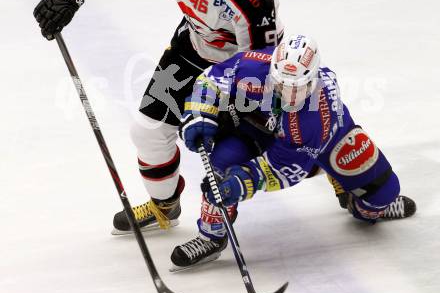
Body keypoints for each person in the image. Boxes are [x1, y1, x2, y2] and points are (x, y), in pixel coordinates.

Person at [33, 0, 285, 234]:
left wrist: (215, 104)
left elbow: (260, 60)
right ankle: (164, 205)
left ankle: (338, 165)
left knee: (263, 135)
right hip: (191, 49)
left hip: (242, 65)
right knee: (148, 132)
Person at [172, 34, 416, 269]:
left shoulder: (314, 116)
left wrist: (243, 181)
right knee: (221, 165)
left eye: (298, 86)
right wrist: (199, 114)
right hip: (260, 128)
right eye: (282, 84)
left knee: (383, 192)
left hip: (328, 140)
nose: (290, 94)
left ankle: (355, 201)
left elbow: (287, 169)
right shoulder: (253, 66)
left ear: (313, 79)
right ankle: (211, 236)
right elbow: (210, 81)